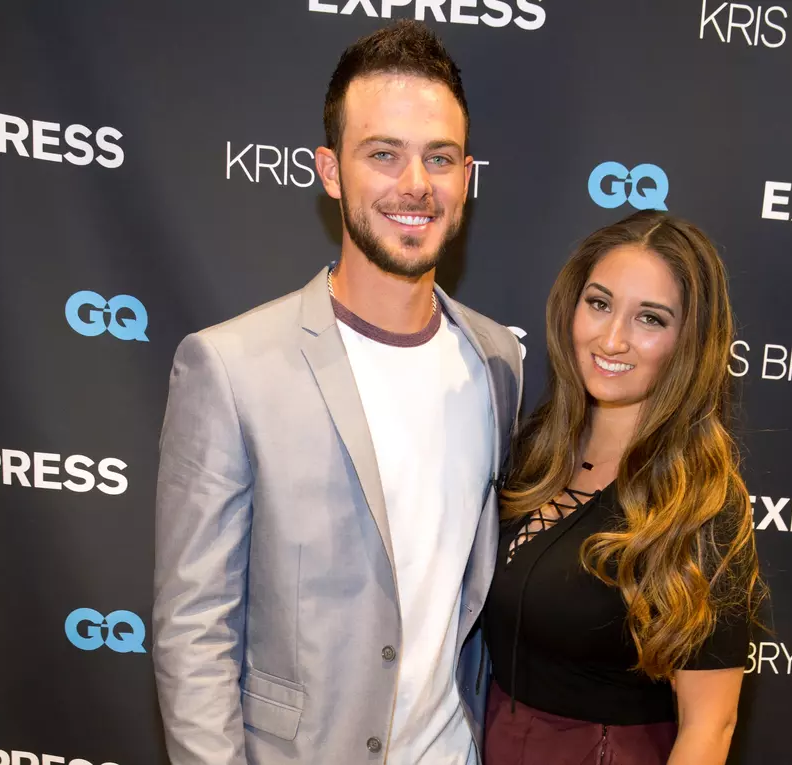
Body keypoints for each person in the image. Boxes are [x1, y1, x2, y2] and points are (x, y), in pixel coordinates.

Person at [152, 21, 523, 765]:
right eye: (383, 154)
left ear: (466, 175)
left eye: (439, 158)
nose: (415, 184)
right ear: (330, 170)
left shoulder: (498, 361)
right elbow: (193, 629)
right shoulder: (231, 368)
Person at [482, 211, 765, 765]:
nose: (612, 338)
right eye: (600, 303)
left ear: (690, 341)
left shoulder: (700, 502)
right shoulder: (536, 447)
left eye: (650, 319)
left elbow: (711, 725)